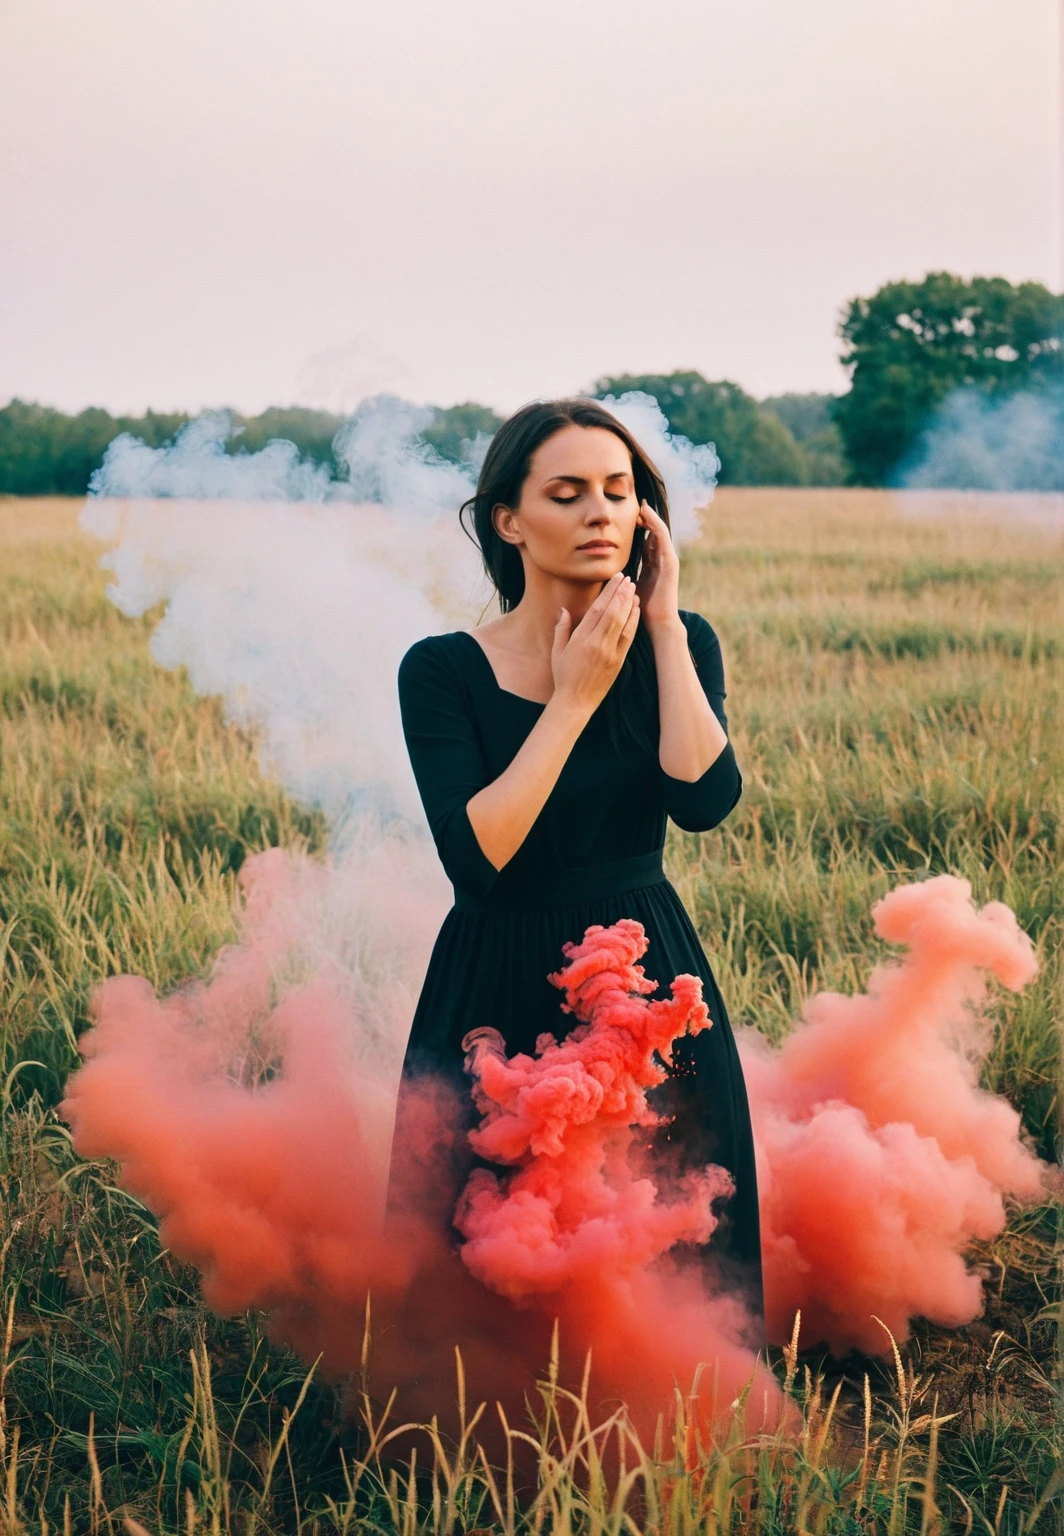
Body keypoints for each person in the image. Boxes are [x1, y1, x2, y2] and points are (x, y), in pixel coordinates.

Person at [392, 396, 763, 1341]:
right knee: (496, 1251)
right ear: (509, 521)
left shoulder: (682, 644)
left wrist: (666, 627)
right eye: (567, 493)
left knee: (674, 1233)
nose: (601, 511)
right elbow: (480, 860)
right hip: (498, 972)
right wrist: (572, 699)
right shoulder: (442, 671)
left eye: (618, 489)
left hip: (641, 969)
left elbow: (705, 801)